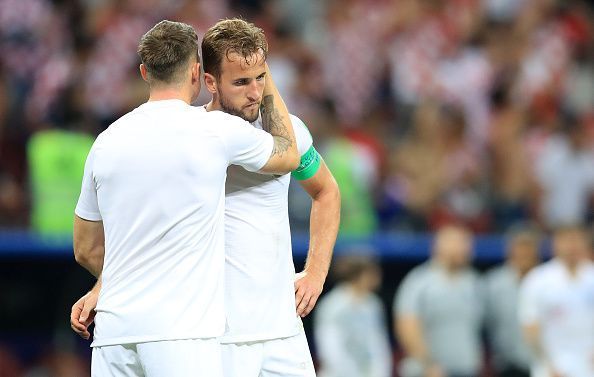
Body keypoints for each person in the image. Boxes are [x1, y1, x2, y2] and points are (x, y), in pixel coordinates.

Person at [72, 18, 341, 377]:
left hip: (283, 329)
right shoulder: (194, 136)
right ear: (208, 80)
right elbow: (150, 230)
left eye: (262, 77)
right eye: (241, 81)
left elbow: (326, 191)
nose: (255, 92)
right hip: (214, 337)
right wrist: (107, 283)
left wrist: (315, 273)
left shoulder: (289, 131)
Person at [394, 225, 484, 377]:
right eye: (459, 243)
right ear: (440, 246)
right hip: (428, 371)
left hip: (467, 368)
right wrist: (428, 364)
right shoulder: (419, 281)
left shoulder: (474, 282)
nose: (466, 249)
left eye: (468, 244)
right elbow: (406, 326)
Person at [519, 225, 594, 377]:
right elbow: (530, 327)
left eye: (576, 240)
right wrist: (547, 364)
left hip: (588, 364)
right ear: (555, 244)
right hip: (553, 367)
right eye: (567, 240)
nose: (572, 246)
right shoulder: (538, 280)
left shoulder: (591, 275)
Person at [314, 254, 392, 377]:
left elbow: (378, 344)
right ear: (360, 275)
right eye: (373, 272)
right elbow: (330, 348)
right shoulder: (332, 305)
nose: (378, 277)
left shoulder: (373, 304)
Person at [485, 226, 541, 377]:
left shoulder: (547, 280)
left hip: (542, 363)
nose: (524, 253)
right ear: (509, 250)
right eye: (519, 247)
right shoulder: (494, 283)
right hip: (505, 364)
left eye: (528, 247)